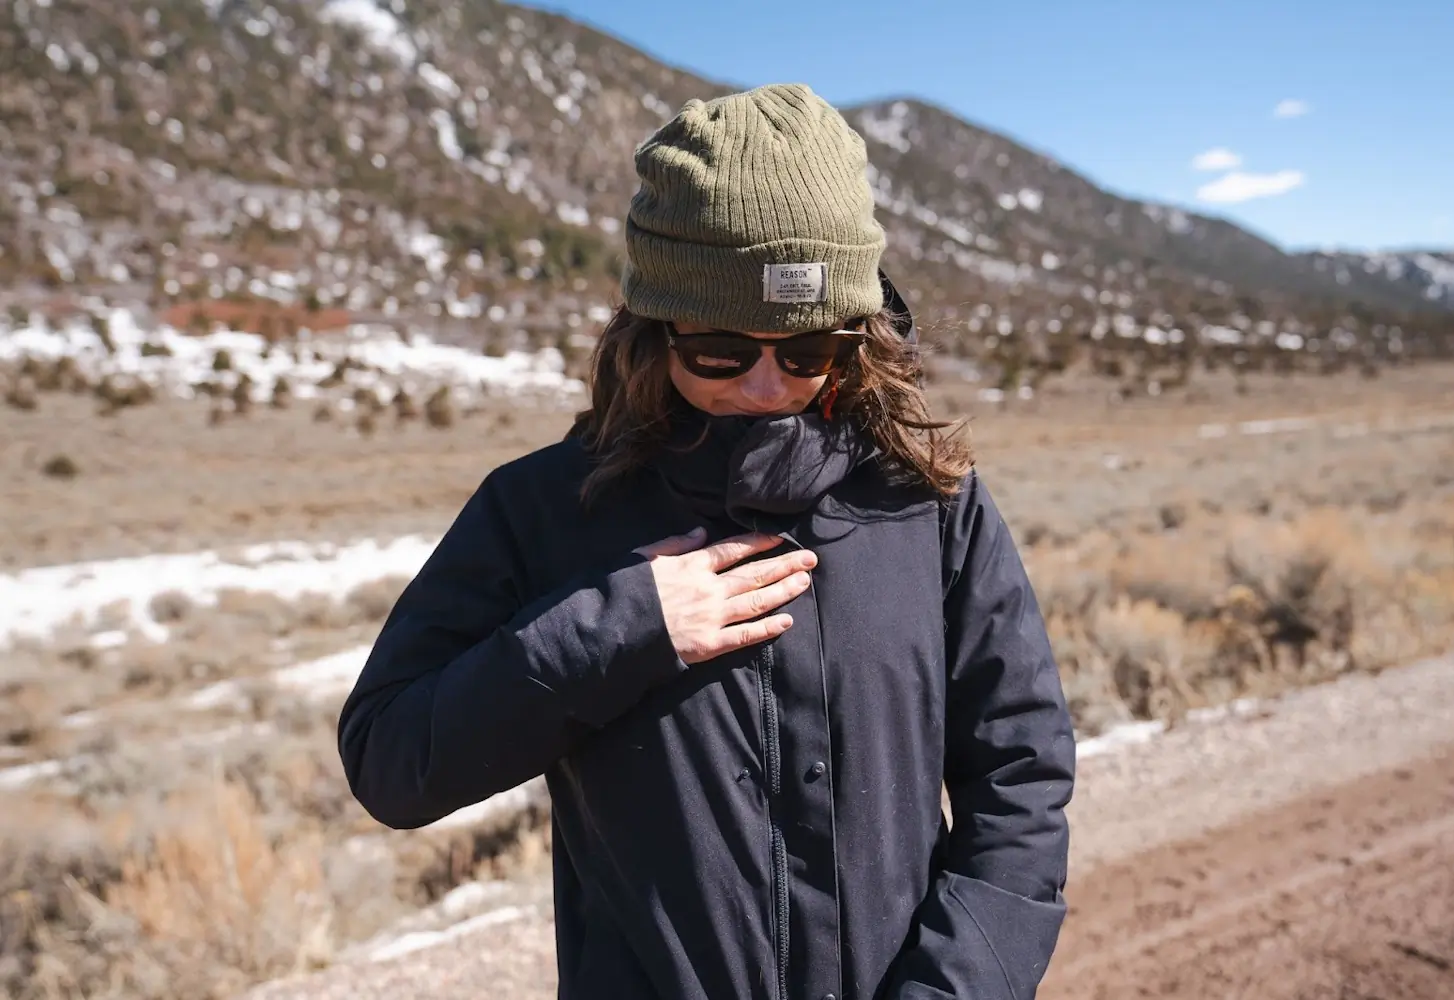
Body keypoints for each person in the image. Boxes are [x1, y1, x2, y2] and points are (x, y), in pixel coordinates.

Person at [338, 82, 1076, 1000]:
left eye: (807, 349)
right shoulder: (542, 511)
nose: (767, 387)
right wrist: (618, 628)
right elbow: (391, 762)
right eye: (722, 352)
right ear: (654, 329)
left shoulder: (929, 505)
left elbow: (1022, 776)